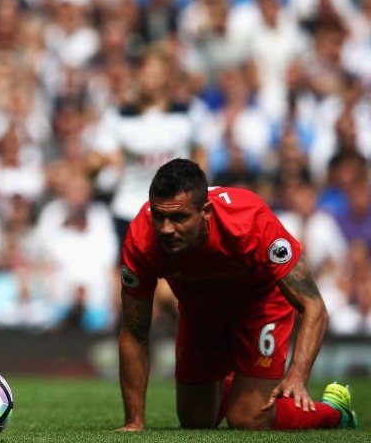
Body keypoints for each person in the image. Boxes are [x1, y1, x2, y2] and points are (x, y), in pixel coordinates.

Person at [117, 158, 358, 431]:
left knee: (248, 419)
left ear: (206, 211)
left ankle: (336, 412)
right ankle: (240, 384)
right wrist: (134, 421)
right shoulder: (140, 237)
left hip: (259, 308)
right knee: (196, 423)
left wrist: (297, 376)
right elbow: (134, 331)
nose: (166, 229)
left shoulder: (249, 220)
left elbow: (314, 306)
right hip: (199, 315)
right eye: (159, 216)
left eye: (179, 218)